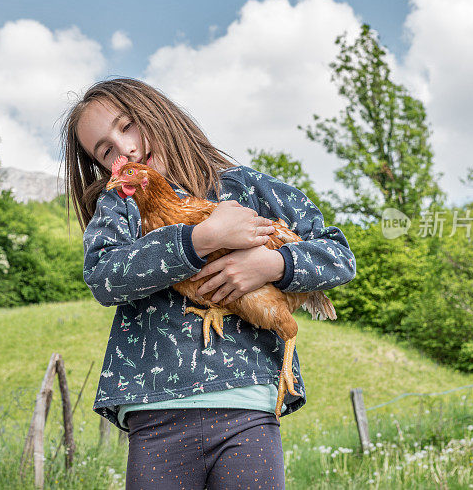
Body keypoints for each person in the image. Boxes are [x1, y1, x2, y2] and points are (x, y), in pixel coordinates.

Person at [60, 77, 356, 489]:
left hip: (246, 403)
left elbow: (339, 256)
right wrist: (201, 239)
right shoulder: (123, 202)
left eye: (127, 126)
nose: (124, 147)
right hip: (156, 409)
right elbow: (104, 276)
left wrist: (271, 264)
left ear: (157, 112)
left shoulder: (248, 187)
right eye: (106, 150)